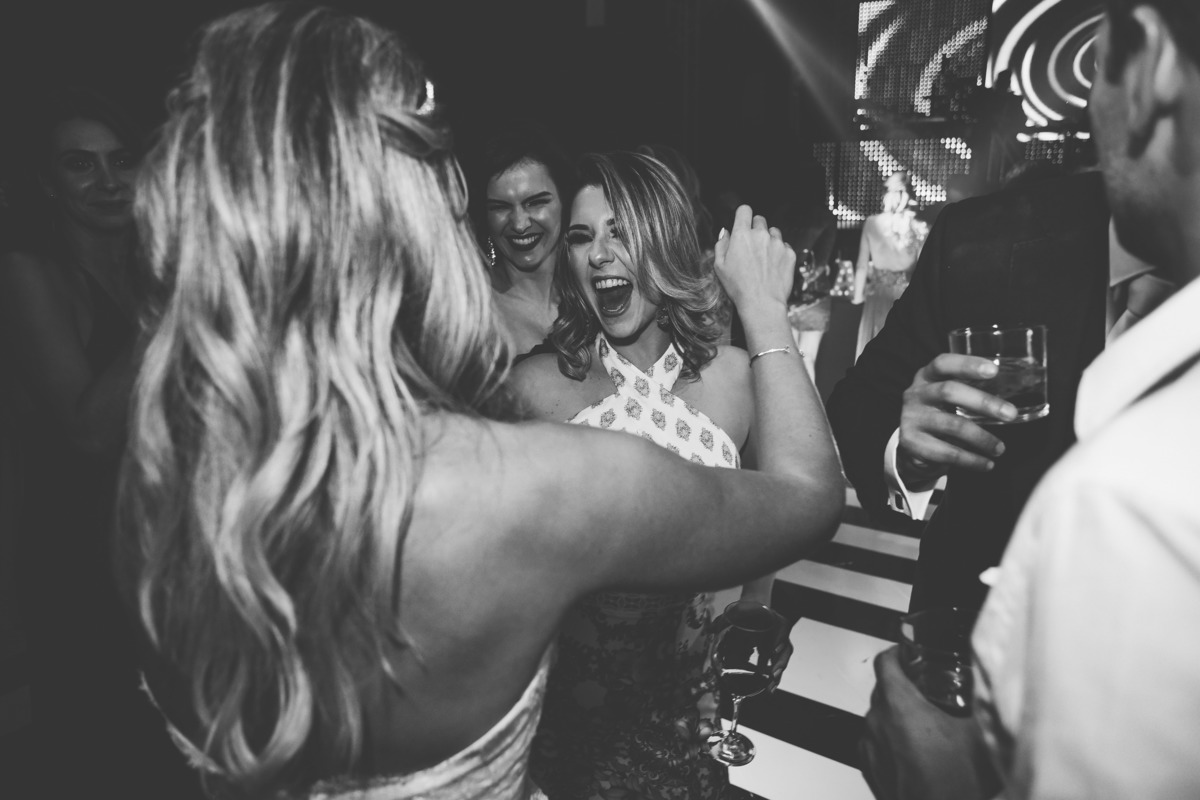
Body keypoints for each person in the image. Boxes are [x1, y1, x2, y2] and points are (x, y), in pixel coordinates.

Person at [116, 6, 845, 799]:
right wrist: (764, 307)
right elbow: (808, 496)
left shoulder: (163, 497)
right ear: (419, 227)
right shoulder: (536, 481)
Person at [860, 1, 1200, 796]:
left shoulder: (1124, 498)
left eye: (1098, 66)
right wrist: (910, 446)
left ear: (1148, 66)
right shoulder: (982, 239)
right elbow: (864, 400)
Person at [512, 151, 815, 798]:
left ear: (666, 241)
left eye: (620, 231)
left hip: (689, 727)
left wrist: (756, 610)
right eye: (581, 237)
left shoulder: (734, 378)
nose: (599, 254)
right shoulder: (532, 390)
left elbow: (780, 505)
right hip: (571, 738)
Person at [0, 88, 202, 796]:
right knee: (105, 756)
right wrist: (170, 303)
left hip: (165, 551)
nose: (108, 180)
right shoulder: (29, 271)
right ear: (47, 182)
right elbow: (87, 431)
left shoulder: (157, 266)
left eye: (122, 159)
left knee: (182, 754)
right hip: (81, 559)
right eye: (80, 164)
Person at [473, 126, 575, 362]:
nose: (519, 224)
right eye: (500, 207)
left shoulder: (593, 292)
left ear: (565, 202)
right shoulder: (474, 310)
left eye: (535, 203)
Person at [852, 170, 929, 360]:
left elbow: (862, 266)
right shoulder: (920, 228)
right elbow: (923, 272)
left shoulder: (871, 223)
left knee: (871, 352)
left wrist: (857, 297)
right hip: (905, 298)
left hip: (878, 296)